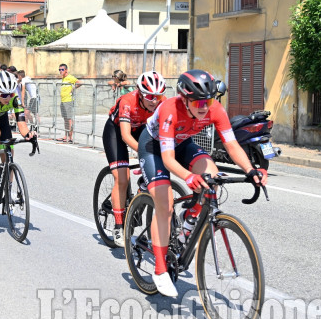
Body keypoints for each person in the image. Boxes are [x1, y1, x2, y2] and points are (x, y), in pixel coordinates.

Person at [137, 69, 268, 297]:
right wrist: (188, 177)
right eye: (197, 102)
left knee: (213, 177)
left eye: (207, 101)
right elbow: (168, 159)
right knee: (165, 204)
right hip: (154, 147)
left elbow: (232, 145)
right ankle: (159, 270)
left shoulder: (215, 109)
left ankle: (189, 221)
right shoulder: (170, 109)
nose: (203, 107)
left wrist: (250, 170)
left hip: (182, 143)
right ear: (184, 98)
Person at [103, 71, 167, 247]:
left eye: (158, 96)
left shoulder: (162, 102)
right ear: (140, 93)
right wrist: (145, 153)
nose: (154, 100)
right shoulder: (127, 101)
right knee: (122, 178)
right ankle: (118, 226)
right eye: (149, 96)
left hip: (141, 130)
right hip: (116, 132)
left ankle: (141, 190)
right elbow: (125, 135)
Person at [58, 63, 82, 143]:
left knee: (69, 119)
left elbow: (79, 82)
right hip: (63, 101)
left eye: (62, 69)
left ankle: (70, 137)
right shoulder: (64, 78)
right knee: (65, 119)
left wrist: (73, 88)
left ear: (66, 70)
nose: (60, 71)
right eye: (59, 70)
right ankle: (66, 135)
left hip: (68, 101)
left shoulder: (70, 77)